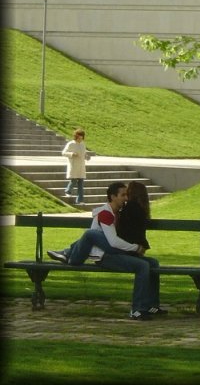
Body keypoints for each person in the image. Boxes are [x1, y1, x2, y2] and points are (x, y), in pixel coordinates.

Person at [47, 181, 166, 320]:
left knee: (153, 263)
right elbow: (113, 242)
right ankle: (137, 310)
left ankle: (152, 306)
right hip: (105, 256)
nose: (126, 198)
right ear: (113, 196)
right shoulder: (106, 214)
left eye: (127, 195)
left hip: (115, 252)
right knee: (142, 265)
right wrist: (136, 248)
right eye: (123, 195)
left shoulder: (119, 213)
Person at [62, 128, 91, 205]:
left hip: (81, 166)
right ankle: (68, 191)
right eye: (79, 138)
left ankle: (80, 200)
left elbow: (83, 153)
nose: (80, 139)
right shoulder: (71, 144)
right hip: (74, 165)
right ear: (76, 137)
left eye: (81, 138)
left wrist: (86, 156)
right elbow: (64, 153)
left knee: (81, 184)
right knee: (74, 180)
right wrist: (72, 154)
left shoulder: (83, 144)